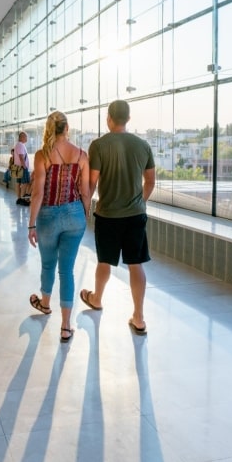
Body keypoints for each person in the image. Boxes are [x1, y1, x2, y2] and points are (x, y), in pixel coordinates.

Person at [80, 100, 155, 336]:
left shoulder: (99, 145)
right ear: (128, 119)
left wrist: (84, 208)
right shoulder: (143, 145)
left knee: (104, 261)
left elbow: (92, 182)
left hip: (108, 215)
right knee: (135, 264)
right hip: (135, 215)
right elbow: (150, 181)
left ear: (109, 118)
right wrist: (140, 202)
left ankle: (96, 299)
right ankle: (139, 317)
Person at [27, 112, 91, 343]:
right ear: (67, 128)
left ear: (49, 129)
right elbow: (85, 192)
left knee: (48, 264)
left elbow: (38, 193)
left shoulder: (42, 155)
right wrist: (84, 214)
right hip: (75, 215)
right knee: (67, 270)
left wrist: (31, 224)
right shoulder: (81, 155)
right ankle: (65, 326)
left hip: (48, 215)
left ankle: (45, 304)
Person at [13, 131, 31, 205]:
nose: (27, 138)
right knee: (25, 183)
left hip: (18, 167)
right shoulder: (20, 145)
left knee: (18, 183)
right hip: (22, 167)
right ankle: (23, 199)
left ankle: (19, 198)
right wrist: (25, 166)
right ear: (22, 137)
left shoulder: (18, 144)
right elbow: (21, 157)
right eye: (26, 137)